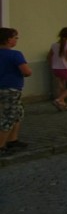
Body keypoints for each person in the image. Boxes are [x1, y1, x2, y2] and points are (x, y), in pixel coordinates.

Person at [0, 27, 32, 156]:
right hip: (10, 89)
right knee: (8, 117)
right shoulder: (15, 54)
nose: (16, 40)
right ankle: (1, 145)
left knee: (18, 113)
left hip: (4, 88)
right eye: (15, 37)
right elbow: (26, 71)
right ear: (9, 40)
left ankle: (13, 140)